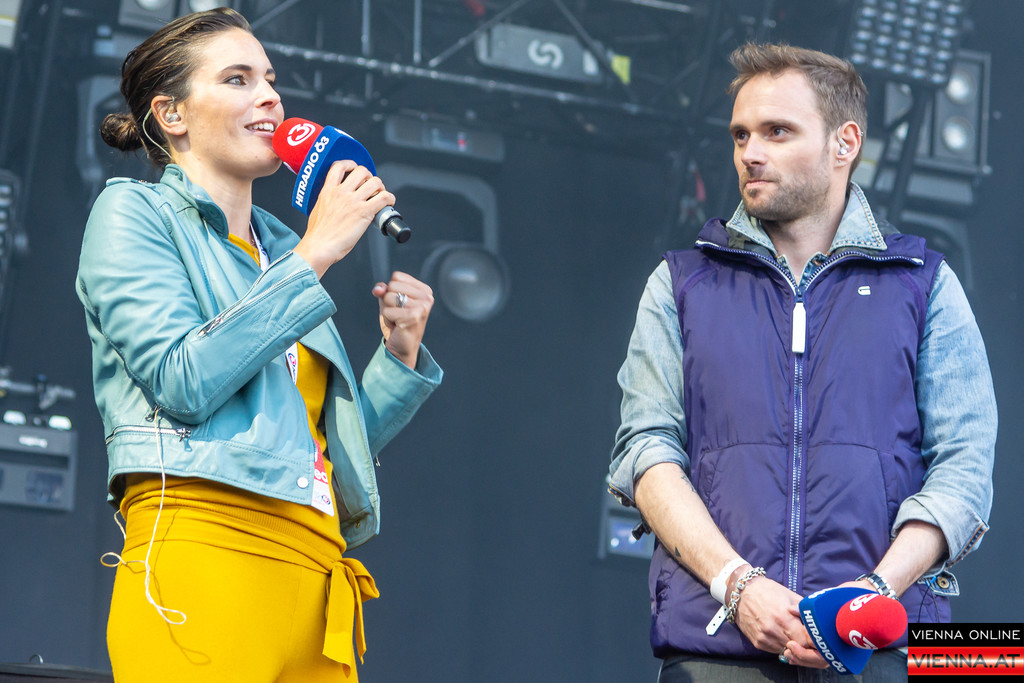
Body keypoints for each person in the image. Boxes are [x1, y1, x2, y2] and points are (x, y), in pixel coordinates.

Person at [608, 42, 996, 681]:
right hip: (716, 650)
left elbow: (965, 467)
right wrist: (738, 587)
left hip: (883, 653)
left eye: (777, 131)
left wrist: (872, 594)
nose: (750, 152)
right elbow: (646, 453)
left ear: (846, 143)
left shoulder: (925, 283)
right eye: (740, 134)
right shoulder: (680, 282)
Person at [76, 9, 442, 681]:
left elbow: (312, 445)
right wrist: (316, 254)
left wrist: (398, 357)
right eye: (238, 79)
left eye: (270, 79)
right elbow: (181, 379)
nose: (270, 96)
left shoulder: (280, 248)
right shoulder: (134, 212)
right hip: (206, 550)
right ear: (172, 114)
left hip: (317, 574)